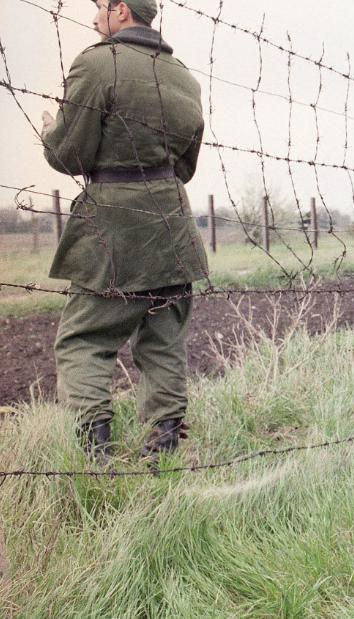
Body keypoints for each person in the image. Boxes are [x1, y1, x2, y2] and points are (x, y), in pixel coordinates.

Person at [41, 0, 207, 461]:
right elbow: (186, 168)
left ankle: (95, 456)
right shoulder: (184, 77)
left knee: (84, 340)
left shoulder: (97, 62)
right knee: (163, 342)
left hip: (113, 229)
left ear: (119, 11)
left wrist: (49, 131)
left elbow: (69, 156)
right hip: (173, 228)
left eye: (99, 7)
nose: (95, 17)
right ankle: (165, 448)